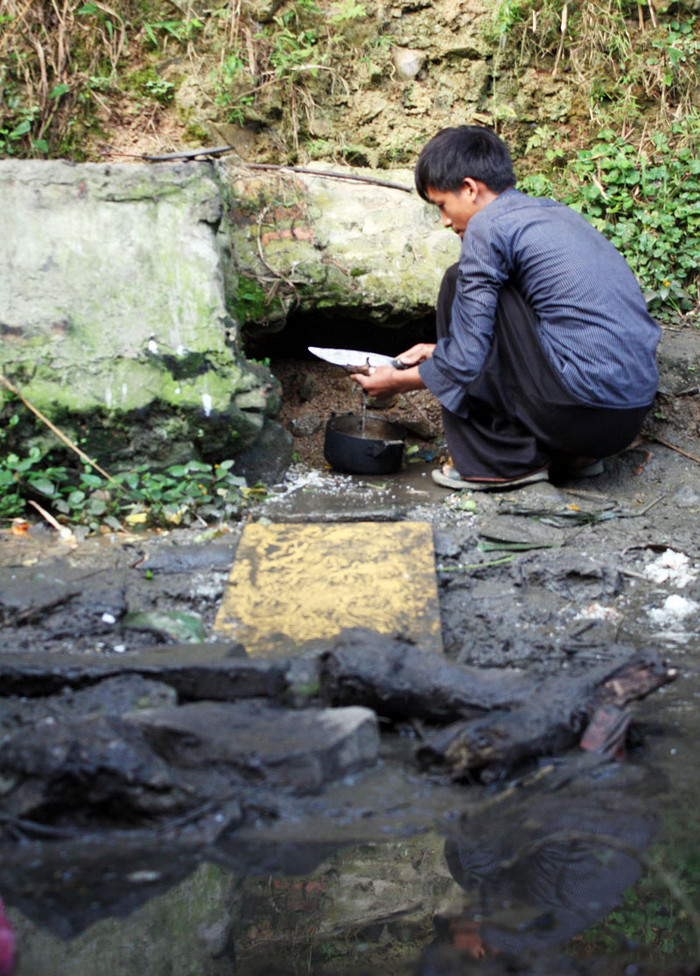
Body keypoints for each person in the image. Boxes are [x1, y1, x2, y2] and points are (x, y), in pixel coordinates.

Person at [351, 126, 661, 490]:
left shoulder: (487, 224)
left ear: (469, 188)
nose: (446, 221)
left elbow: (467, 360)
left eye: (442, 206)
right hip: (623, 421)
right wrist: (438, 352)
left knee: (457, 280)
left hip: (577, 410)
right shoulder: (553, 214)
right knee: (484, 299)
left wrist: (399, 382)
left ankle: (500, 461)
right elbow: (551, 330)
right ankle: (571, 459)